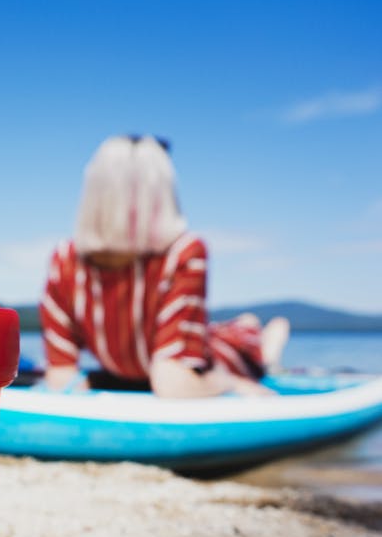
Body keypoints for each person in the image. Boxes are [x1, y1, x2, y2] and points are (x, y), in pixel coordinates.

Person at [39, 135, 289, 397]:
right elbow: (60, 376)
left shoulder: (66, 260)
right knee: (219, 333)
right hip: (169, 358)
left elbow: (172, 383)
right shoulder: (66, 260)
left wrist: (229, 381)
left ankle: (264, 344)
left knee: (248, 350)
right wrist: (224, 385)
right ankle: (250, 328)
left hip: (208, 360)